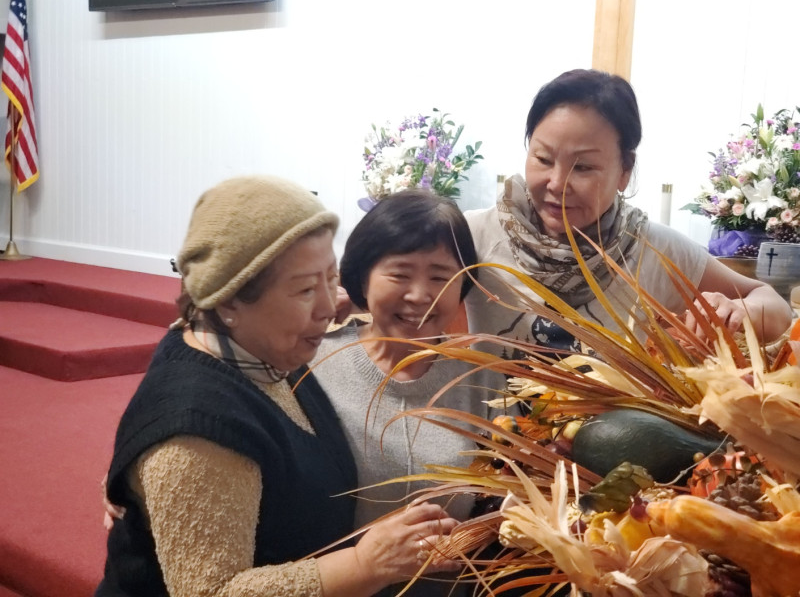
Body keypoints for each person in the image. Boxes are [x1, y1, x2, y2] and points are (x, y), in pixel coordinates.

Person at [96, 176, 461, 597]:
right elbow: (212, 592)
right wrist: (365, 563)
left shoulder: (251, 345)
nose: (330, 306)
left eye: (331, 278)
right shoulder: (196, 434)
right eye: (306, 288)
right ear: (229, 300)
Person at [464, 68, 792, 356]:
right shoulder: (472, 237)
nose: (557, 183)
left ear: (624, 170)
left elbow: (773, 304)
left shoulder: (652, 249)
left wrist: (738, 312)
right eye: (543, 159)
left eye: (583, 167)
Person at [311, 190, 494, 596]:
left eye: (440, 277)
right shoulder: (312, 362)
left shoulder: (485, 380)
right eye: (400, 274)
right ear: (362, 277)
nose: (419, 295)